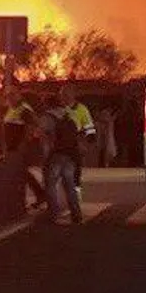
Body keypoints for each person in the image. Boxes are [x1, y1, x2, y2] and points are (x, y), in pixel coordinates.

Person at [0, 81, 44, 210]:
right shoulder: (10, 109)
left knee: (19, 174)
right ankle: (39, 194)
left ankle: (34, 196)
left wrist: (24, 145)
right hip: (10, 147)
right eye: (7, 95)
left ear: (18, 95)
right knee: (20, 173)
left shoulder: (24, 109)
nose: (9, 98)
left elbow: (33, 126)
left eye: (12, 95)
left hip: (19, 148)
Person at [42, 94, 85, 225]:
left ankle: (53, 214)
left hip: (56, 155)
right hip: (70, 154)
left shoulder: (47, 117)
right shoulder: (68, 115)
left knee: (50, 184)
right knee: (69, 185)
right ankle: (76, 214)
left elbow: (42, 135)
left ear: (47, 104)